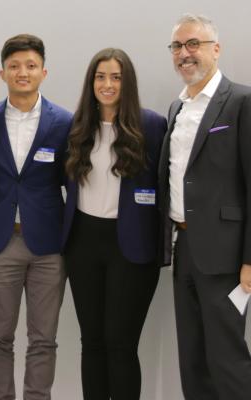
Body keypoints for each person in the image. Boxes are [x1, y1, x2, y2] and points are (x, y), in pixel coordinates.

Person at [62, 48, 166, 400]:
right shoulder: (77, 126)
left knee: (121, 344)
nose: (108, 85)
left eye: (116, 77)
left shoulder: (151, 125)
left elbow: (165, 191)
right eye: (101, 77)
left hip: (131, 245)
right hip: (83, 243)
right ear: (91, 82)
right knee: (91, 341)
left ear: (128, 83)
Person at [159, 13, 251, 400]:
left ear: (216, 49)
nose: (185, 53)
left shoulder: (242, 101)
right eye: (178, 46)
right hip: (185, 251)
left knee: (226, 357)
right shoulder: (176, 109)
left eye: (193, 44)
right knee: (192, 357)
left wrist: (250, 258)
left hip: (227, 256)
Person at [0, 34, 72, 400]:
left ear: (43, 72)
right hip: (0, 243)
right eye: (14, 66)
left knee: (44, 339)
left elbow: (74, 181)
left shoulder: (64, 121)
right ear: (2, 73)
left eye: (30, 66)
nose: (22, 72)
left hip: (48, 247)